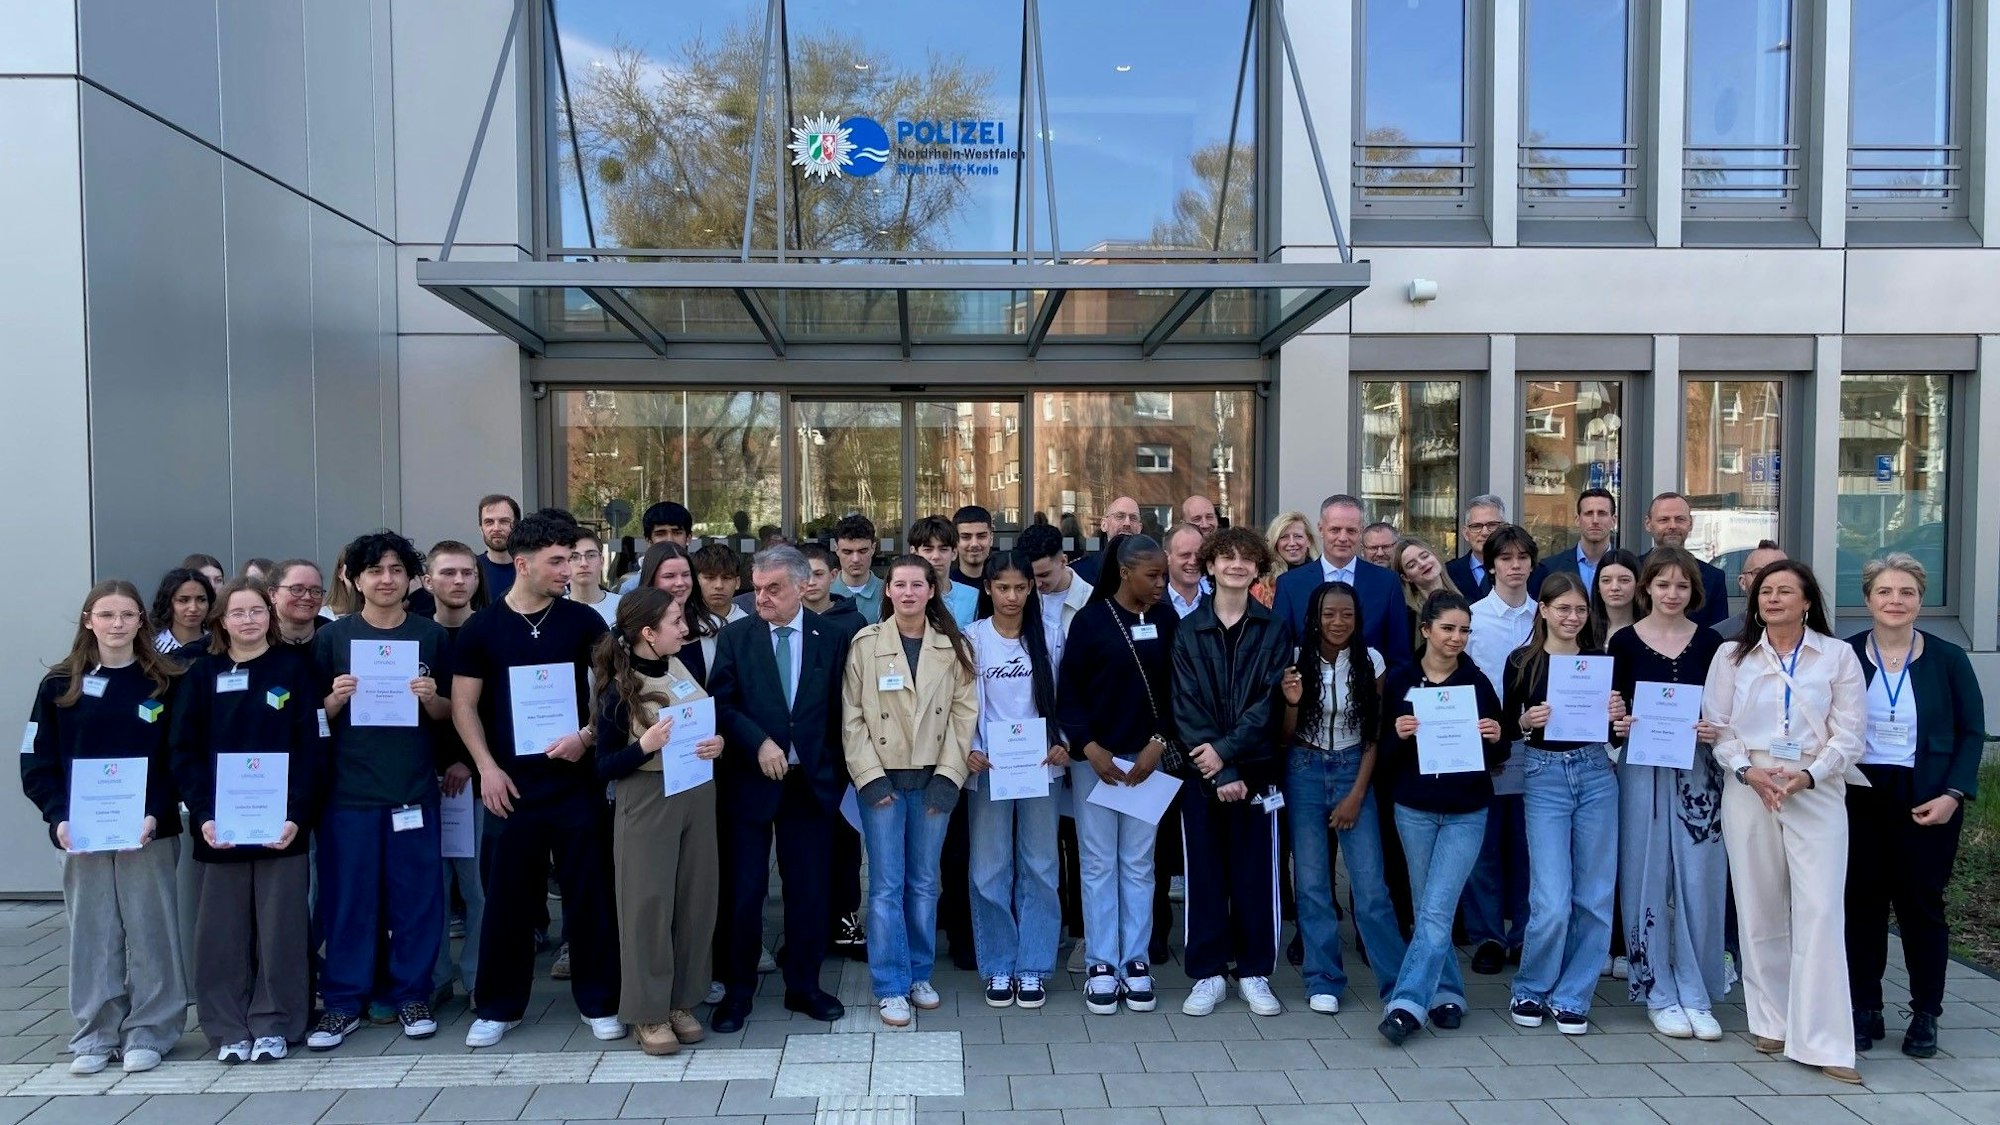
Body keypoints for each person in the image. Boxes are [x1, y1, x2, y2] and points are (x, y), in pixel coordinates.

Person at [451, 513, 622, 1049]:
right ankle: (499, 1006)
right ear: (522, 564)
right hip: (511, 789)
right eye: (557, 561)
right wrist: (487, 768)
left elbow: (614, 692)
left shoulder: (584, 622)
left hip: (576, 785)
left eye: (572, 559)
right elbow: (463, 705)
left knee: (590, 896)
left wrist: (588, 736)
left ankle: (600, 1002)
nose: (568, 570)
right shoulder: (482, 628)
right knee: (507, 901)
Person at [1702, 560, 1866, 1084]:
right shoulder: (1731, 655)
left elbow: (1849, 733)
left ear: (1808, 602)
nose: (1772, 599)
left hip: (1813, 788)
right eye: (1765, 591)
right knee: (1758, 905)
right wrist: (1748, 771)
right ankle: (1770, 1020)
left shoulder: (1837, 656)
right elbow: (1717, 727)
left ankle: (1825, 1040)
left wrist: (1809, 776)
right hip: (1749, 786)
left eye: (1784, 592)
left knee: (1818, 911)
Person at [23, 581, 186, 1076]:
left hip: (148, 830)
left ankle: (151, 1030)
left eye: (128, 615)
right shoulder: (58, 685)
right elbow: (36, 759)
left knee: (152, 929)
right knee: (92, 934)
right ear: (88, 620)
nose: (118, 624)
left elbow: (178, 758)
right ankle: (95, 1032)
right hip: (81, 835)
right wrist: (59, 818)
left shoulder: (166, 682)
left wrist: (157, 811)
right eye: (107, 615)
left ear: (142, 623)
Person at [308, 531, 454, 1049]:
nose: (386, 580)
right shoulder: (333, 639)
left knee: (415, 899)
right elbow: (312, 721)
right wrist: (333, 701)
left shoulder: (431, 636)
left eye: (395, 569)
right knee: (348, 901)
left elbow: (448, 718)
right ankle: (343, 1002)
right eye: (375, 571)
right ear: (354, 578)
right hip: (348, 794)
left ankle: (411, 994)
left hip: (412, 789)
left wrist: (433, 697)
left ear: (410, 577)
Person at [169, 579, 320, 1063]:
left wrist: (297, 814)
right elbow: (183, 752)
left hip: (283, 829)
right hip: (221, 829)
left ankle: (276, 1022)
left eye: (257, 611)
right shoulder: (201, 675)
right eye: (238, 613)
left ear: (269, 616)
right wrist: (205, 815)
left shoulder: (295, 669)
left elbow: (314, 748)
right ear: (220, 621)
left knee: (282, 930)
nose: (248, 620)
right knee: (220, 934)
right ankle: (227, 1027)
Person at [706, 546, 852, 1031]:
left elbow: (841, 711)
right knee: (743, 892)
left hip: (810, 785)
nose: (761, 597)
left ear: (801, 587)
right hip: (750, 782)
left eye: (774, 589)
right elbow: (720, 705)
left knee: (809, 891)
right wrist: (759, 742)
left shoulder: (833, 637)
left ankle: (804, 987)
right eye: (758, 587)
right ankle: (738, 992)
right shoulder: (736, 637)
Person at [1845, 553, 1985, 1060]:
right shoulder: (1846, 655)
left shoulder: (1949, 659)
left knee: (1921, 907)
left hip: (1927, 797)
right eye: (1885, 592)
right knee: (1860, 906)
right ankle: (1865, 1007)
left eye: (1906, 593)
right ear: (1867, 600)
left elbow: (1973, 732)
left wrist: (1953, 795)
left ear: (1920, 601)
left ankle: (1926, 1012)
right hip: (1858, 794)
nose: (1895, 601)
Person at [843, 556, 978, 1025]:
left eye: (916, 585)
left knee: (924, 883)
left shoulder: (954, 647)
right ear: (887, 591)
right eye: (898, 584)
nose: (906, 593)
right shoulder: (865, 644)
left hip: (933, 781)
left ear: (931, 591)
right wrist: (869, 777)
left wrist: (949, 777)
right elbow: (853, 717)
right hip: (882, 781)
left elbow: (965, 716)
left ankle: (919, 973)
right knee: (885, 886)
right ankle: (890, 984)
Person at [593, 589, 725, 1055]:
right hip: (647, 797)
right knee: (647, 907)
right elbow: (602, 765)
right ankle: (648, 1012)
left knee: (695, 900)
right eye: (674, 621)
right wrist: (643, 747)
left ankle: (681, 1001)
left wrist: (717, 744)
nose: (685, 628)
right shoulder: (617, 687)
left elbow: (704, 720)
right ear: (648, 633)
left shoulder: (680, 666)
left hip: (695, 792)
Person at [1375, 591, 1507, 1045]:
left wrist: (1495, 735)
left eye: (1464, 630)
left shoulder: (1478, 682)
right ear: (1426, 629)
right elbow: (1384, 754)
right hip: (1413, 808)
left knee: (1436, 906)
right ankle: (1447, 991)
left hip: (1466, 811)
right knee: (1430, 904)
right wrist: (1396, 732)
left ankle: (1407, 1002)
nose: (1457, 638)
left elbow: (1500, 750)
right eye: (1448, 628)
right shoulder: (1400, 680)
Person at [1608, 548, 1728, 1041]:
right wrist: (1621, 720)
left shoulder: (1713, 645)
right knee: (1645, 874)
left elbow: (1726, 711)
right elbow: (1610, 719)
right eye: (1662, 585)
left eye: (1681, 586)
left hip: (1699, 776)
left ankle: (1697, 989)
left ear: (1692, 591)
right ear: (1647, 589)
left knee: (1700, 880)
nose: (1672, 594)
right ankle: (1656, 988)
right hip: (1642, 770)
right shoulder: (1624, 642)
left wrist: (1713, 729)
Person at [1171, 527, 1289, 1018]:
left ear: (1258, 568)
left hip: (1256, 774)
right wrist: (1218, 769)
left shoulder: (1274, 629)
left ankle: (1255, 972)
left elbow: (1269, 704)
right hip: (1204, 776)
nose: (1237, 565)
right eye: (1227, 558)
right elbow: (1185, 705)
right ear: (1211, 566)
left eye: (1246, 559)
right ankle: (1207, 974)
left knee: (1256, 875)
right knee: (1205, 874)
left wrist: (1231, 761)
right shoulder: (1187, 629)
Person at [1058, 535, 1175, 1015]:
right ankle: (1102, 963)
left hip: (1147, 763)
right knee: (1099, 861)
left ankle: (1136, 960)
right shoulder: (1090, 621)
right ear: (1125, 572)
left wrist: (1158, 743)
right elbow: (1069, 693)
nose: (1162, 584)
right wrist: (1088, 747)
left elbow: (1178, 691)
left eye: (1165, 575)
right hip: (1098, 766)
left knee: (1139, 864)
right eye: (1153, 575)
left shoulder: (1168, 620)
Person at [1501, 573, 1623, 1036]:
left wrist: (1616, 716)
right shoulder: (1521, 662)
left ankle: (1573, 994)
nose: (1572, 617)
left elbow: (1614, 733)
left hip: (1595, 773)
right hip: (1544, 775)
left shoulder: (1600, 662)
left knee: (1593, 896)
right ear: (1544, 610)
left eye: (1579, 610)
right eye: (1563, 609)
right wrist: (1524, 719)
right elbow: (1507, 727)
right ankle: (1531, 985)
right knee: (1551, 899)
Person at [1279, 581, 1400, 1015]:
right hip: (1304, 770)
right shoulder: (1294, 658)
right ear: (1314, 615)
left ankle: (1395, 983)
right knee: (1311, 885)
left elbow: (1374, 735)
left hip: (1354, 768)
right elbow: (1285, 737)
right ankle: (1323, 977)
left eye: (1347, 614)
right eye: (1329, 613)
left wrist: (1356, 795)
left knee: (1370, 887)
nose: (1338, 622)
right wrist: (1292, 702)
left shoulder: (1372, 661)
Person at [964, 550, 1068, 1010]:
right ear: (988, 589)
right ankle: (999, 964)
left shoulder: (1050, 635)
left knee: (1041, 866)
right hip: (990, 769)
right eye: (1002, 587)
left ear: (1032, 588)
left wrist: (1063, 740)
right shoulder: (971, 640)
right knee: (990, 868)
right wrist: (969, 747)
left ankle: (1034, 965)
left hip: (1041, 767)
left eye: (1020, 587)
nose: (1011, 596)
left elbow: (1069, 696)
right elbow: (962, 705)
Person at [1462, 525, 1539, 974]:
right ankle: (1488, 935)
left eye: (1522, 558)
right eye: (1505, 558)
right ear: (1490, 564)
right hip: (1483, 744)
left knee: (1529, 844)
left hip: (1534, 742)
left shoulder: (1544, 616)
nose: (1515, 566)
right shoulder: (1472, 618)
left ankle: (1525, 934)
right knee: (1483, 844)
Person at [422, 540, 486, 1006]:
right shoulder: (414, 637)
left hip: (477, 784)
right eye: (447, 573)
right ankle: (435, 978)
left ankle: (480, 978)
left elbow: (497, 711)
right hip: (421, 782)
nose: (458, 581)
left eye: (466, 573)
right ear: (427, 581)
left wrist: (468, 759)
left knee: (479, 888)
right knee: (430, 891)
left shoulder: (487, 633)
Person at [1274, 495, 1412, 672]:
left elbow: (1399, 655)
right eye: (1335, 530)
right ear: (1320, 529)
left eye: (1351, 531)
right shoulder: (1289, 584)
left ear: (1361, 531)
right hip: (1307, 694)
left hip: (1370, 693)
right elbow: (1280, 652)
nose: (1343, 537)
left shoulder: (1387, 582)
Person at [1643, 492, 1730, 629]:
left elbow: (1718, 635)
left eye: (1680, 519)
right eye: (1664, 520)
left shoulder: (1713, 578)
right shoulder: (1631, 571)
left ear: (1690, 524)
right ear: (1648, 524)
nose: (1672, 526)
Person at [1447, 495, 1548, 598]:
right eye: (1476, 526)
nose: (1485, 532)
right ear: (1465, 533)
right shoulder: (1449, 573)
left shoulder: (1537, 573)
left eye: (1492, 525)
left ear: (1504, 527)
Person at [1019, 523, 1093, 642]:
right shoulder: (1019, 596)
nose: (1037, 584)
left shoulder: (1091, 600)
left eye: (1044, 575)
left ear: (1063, 561)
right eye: (1030, 576)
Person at [1544, 488, 1618, 591]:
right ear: (1577, 520)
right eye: (1588, 513)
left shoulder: (1629, 568)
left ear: (1613, 520)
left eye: (1602, 513)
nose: (1595, 520)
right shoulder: (1550, 568)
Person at [909, 516, 978, 627]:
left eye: (943, 549)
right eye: (928, 549)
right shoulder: (901, 596)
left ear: (954, 553)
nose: (936, 556)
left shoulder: (973, 597)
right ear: (914, 553)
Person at [1393, 537, 1462, 646]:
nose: (1422, 564)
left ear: (1436, 556)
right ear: (1406, 578)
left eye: (1425, 556)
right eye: (1412, 565)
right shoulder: (1406, 618)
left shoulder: (1468, 603)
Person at [615, 501, 696, 593]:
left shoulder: (701, 582)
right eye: (660, 534)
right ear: (649, 540)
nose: (669, 540)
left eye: (677, 533)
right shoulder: (632, 588)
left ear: (689, 538)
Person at [1717, 541, 1785, 642]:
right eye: (1759, 572)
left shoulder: (1810, 636)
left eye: (1779, 572)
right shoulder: (1718, 636)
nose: (1770, 579)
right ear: (1743, 582)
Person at [1071, 496, 1141, 587]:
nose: (1127, 523)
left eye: (1133, 518)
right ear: (1104, 525)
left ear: (1140, 528)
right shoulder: (1080, 572)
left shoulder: (1153, 569)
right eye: (1120, 516)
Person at [1255, 510, 1318, 608]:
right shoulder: (1263, 585)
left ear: (1309, 541)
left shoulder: (1322, 576)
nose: (1292, 543)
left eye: (1298, 536)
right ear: (1275, 543)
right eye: (1284, 537)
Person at [831, 514, 885, 623]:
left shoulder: (889, 592)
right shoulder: (823, 592)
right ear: (836, 549)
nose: (855, 559)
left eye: (862, 551)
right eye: (847, 552)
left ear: (873, 549)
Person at [151, 567, 214, 655]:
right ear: (168, 603)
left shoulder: (220, 645)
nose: (193, 608)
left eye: (201, 600)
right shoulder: (151, 649)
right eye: (183, 600)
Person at [1588, 549, 1643, 647]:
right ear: (1598, 587)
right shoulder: (1584, 631)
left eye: (1624, 580)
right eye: (1606, 580)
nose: (1614, 587)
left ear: (1638, 584)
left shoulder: (1652, 631)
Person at [799, 543, 860, 630]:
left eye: (818, 574)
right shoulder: (788, 621)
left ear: (833, 575)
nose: (811, 582)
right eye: (804, 575)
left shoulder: (854, 621)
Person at [568, 529, 621, 626]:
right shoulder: (554, 610)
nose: (584, 563)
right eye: (575, 557)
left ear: (602, 561)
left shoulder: (622, 606)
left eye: (591, 555)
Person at [268, 560, 326, 647]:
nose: (307, 597)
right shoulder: (256, 637)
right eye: (297, 589)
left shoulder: (336, 636)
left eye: (316, 591)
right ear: (273, 594)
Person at [476, 494, 521, 602]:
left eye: (504, 521)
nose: (496, 528)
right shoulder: (471, 571)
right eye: (489, 522)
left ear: (517, 525)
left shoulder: (531, 569)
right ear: (481, 529)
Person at [1163, 523, 1209, 617]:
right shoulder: (1150, 607)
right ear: (1167, 557)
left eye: (1199, 555)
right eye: (1185, 555)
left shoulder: (1216, 608)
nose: (1193, 561)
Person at [951, 505, 996, 591]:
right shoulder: (945, 586)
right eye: (966, 537)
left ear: (991, 539)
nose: (974, 544)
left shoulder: (1003, 584)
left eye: (981, 536)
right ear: (955, 541)